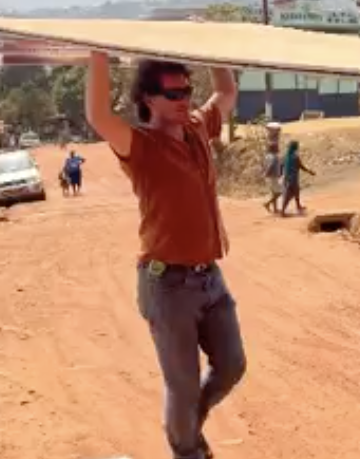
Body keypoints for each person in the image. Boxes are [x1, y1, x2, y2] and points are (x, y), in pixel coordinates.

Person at [85, 52, 245, 459]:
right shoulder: (140, 145)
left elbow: (226, 91)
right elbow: (100, 116)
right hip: (167, 284)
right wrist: (98, 54)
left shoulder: (197, 128)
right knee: (183, 384)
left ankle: (191, 423)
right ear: (148, 99)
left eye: (187, 90)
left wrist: (212, 48)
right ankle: (187, 451)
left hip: (210, 276)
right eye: (173, 92)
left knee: (232, 366)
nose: (185, 98)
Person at [280, 140, 315, 216]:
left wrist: (281, 175)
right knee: (289, 195)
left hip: (287, 178)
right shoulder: (295, 157)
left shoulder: (286, 156)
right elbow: (301, 166)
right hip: (293, 178)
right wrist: (310, 172)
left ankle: (298, 206)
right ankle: (283, 211)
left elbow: (281, 166)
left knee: (296, 192)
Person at [262, 140, 282, 213]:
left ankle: (275, 209)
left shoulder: (267, 156)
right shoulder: (275, 157)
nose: (278, 148)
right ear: (274, 148)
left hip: (269, 177)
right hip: (273, 176)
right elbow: (271, 165)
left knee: (274, 193)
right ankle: (267, 204)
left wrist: (265, 174)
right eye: (277, 147)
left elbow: (264, 165)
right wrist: (267, 173)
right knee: (280, 192)